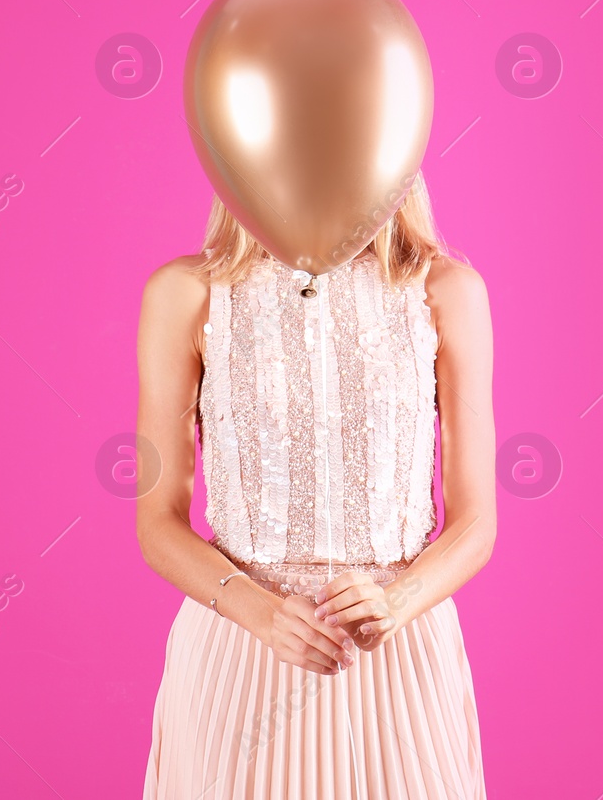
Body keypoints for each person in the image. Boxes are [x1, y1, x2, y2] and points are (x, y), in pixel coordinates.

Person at [138, 171, 495, 798]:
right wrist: (264, 616)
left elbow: (476, 522)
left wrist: (397, 603)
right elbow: (157, 525)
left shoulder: (448, 292)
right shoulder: (187, 294)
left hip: (399, 659)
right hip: (241, 657)